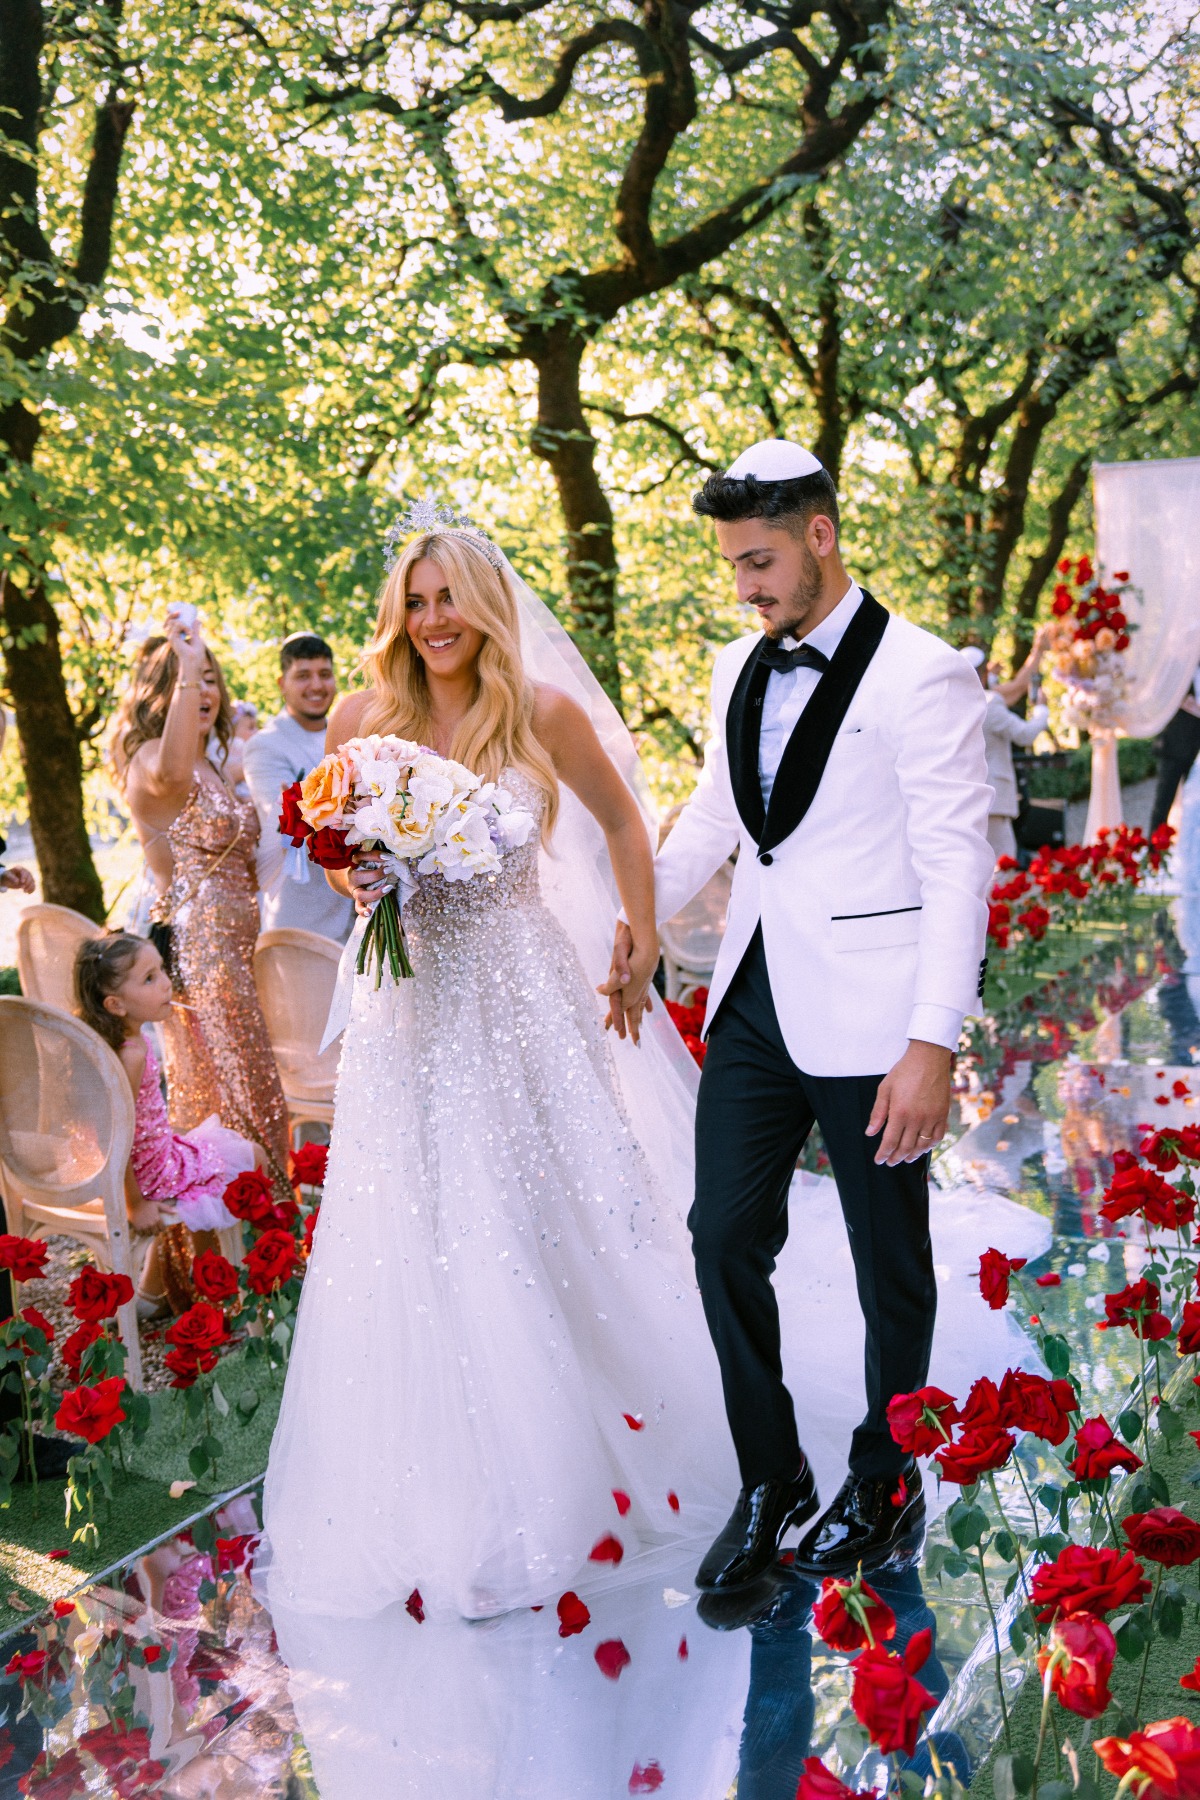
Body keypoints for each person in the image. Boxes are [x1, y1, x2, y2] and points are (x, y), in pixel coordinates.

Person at [260, 500, 1043, 1627]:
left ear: (486, 607)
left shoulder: (537, 711)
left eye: (449, 599)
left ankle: (866, 1473)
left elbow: (638, 828)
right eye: (415, 602)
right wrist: (361, 878)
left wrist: (637, 943)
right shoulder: (358, 723)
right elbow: (337, 854)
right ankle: (535, 1482)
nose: (432, 620)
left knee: (560, 1222)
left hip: (528, 996)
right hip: (410, 1008)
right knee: (429, 1227)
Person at [606, 439, 994, 1592]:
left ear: (821, 536)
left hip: (881, 1016)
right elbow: (711, 823)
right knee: (720, 1234)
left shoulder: (923, 674)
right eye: (733, 566)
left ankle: (886, 1479)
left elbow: (958, 867)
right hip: (755, 1001)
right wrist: (631, 932)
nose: (746, 588)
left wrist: (932, 1044)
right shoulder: (738, 664)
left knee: (890, 1264)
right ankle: (769, 1474)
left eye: (762, 561)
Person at [109, 623, 290, 1216]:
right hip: (203, 950)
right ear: (161, 690)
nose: (205, 689)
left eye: (212, 677)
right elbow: (173, 772)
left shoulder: (215, 764)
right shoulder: (152, 765)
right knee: (244, 1100)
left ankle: (220, 1268)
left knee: (244, 1097)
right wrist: (187, 662)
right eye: (190, 679)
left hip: (242, 947)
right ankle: (260, 1264)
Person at [242, 632, 354, 942]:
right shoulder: (265, 746)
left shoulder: (353, 734)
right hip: (302, 920)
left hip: (356, 914)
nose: (317, 686)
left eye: (324, 674)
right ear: (282, 684)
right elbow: (287, 823)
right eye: (303, 676)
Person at [961, 642, 1050, 860]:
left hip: (964, 796)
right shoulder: (989, 704)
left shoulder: (953, 703)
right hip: (993, 798)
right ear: (982, 675)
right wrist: (1041, 710)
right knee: (1003, 863)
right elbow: (1025, 734)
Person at [1150, 667, 1200, 837]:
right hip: (1176, 743)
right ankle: (1154, 851)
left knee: (1193, 802)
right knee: (1164, 800)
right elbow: (1160, 693)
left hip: (1196, 747)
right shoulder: (1178, 665)